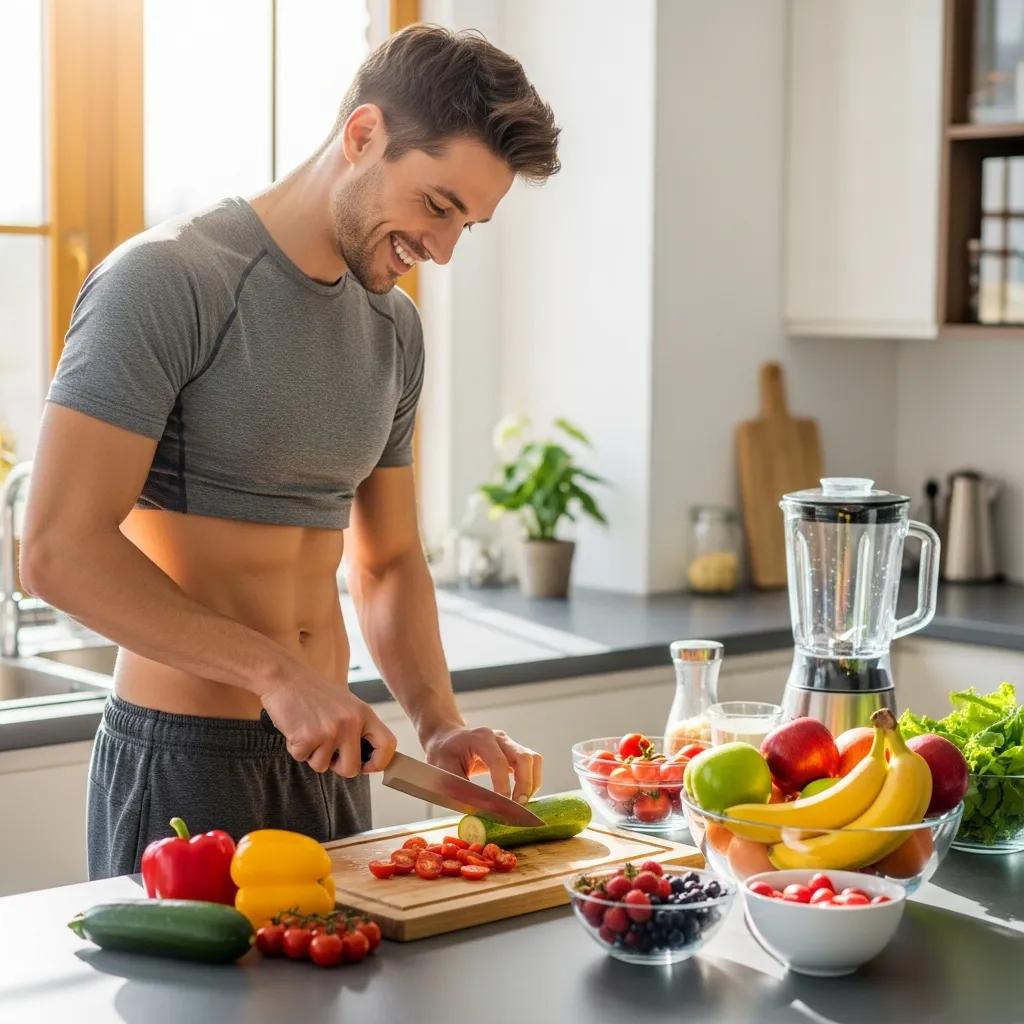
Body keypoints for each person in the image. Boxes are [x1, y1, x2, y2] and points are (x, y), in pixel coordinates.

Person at [21, 24, 561, 879]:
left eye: (469, 224)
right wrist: (275, 673)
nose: (444, 250)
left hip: (332, 758)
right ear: (363, 134)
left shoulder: (395, 330)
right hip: (185, 762)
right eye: (437, 206)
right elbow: (57, 551)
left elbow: (387, 561)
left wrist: (438, 721)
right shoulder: (168, 280)